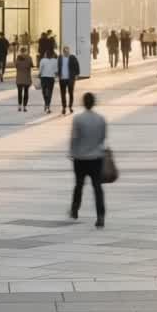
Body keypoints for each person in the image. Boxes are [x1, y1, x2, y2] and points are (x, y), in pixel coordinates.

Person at [68, 92, 108, 228]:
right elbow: (103, 138)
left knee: (79, 185)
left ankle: (75, 209)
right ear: (94, 103)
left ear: (84, 103)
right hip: (96, 158)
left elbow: (74, 138)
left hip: (80, 158)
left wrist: (72, 152)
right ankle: (100, 216)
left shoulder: (78, 119)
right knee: (97, 187)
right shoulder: (101, 119)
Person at [58, 46, 81, 114]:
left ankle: (70, 106)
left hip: (70, 78)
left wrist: (77, 74)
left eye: (67, 51)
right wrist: (58, 74)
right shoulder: (60, 58)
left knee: (71, 93)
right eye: (65, 52)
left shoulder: (72, 57)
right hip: (62, 79)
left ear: (69, 51)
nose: (66, 53)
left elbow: (77, 66)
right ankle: (64, 107)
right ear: (63, 52)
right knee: (63, 94)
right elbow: (58, 66)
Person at [14, 47, 34, 112]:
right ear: (26, 51)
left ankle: (19, 106)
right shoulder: (29, 57)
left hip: (19, 78)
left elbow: (16, 66)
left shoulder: (18, 58)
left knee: (19, 93)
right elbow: (32, 65)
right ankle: (25, 107)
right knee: (26, 92)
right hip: (27, 78)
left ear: (20, 51)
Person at [38, 49, 59, 114]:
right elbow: (56, 71)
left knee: (44, 92)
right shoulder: (55, 61)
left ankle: (46, 103)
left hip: (44, 78)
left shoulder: (42, 60)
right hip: (51, 78)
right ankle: (48, 105)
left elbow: (40, 69)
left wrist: (39, 74)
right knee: (50, 92)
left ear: (46, 54)